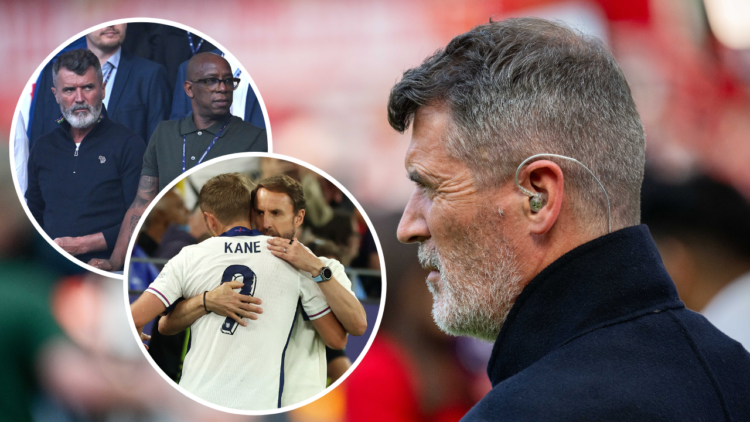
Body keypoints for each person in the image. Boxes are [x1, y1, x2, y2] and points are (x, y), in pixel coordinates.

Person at [389, 17, 750, 421]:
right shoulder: (735, 374)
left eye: (433, 188)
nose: (408, 227)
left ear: (538, 196)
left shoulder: (521, 414)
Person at [129, 173, 346, 410]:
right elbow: (337, 338)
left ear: (209, 220)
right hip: (256, 407)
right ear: (253, 213)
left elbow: (136, 318)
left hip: (194, 402)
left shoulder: (189, 257)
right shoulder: (293, 258)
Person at [89, 52, 268, 271]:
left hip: (224, 258)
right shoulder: (165, 133)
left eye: (229, 81)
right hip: (165, 255)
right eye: (211, 81)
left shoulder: (256, 138)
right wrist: (115, 261)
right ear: (189, 89)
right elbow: (142, 202)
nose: (223, 88)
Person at [25, 49, 145, 264]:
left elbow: (142, 218)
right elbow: (33, 215)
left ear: (103, 89)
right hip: (49, 270)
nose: (79, 99)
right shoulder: (43, 147)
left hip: (106, 269)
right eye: (69, 90)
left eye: (87, 87)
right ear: (55, 94)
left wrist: (83, 244)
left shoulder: (129, 144)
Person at [29, 24, 171, 146]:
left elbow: (158, 151)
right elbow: (38, 139)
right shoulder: (52, 73)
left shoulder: (150, 75)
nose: (111, 24)